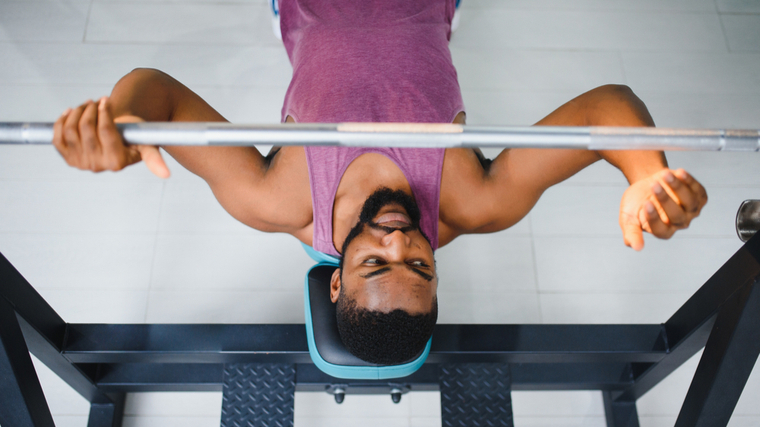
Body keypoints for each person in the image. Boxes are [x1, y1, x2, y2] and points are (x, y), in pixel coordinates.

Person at [51, 0, 708, 364]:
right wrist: (645, 173)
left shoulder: (278, 198)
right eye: (419, 264)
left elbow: (159, 93)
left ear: (335, 276)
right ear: (435, 271)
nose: (399, 239)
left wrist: (125, 123)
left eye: (374, 262)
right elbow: (607, 107)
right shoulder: (470, 201)